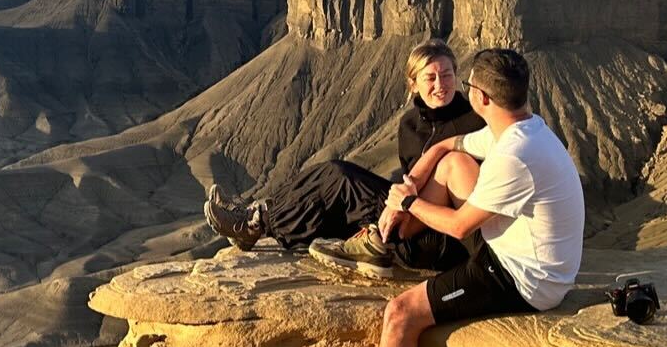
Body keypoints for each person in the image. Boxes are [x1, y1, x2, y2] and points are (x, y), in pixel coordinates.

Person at [279, 47, 585, 347]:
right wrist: (420, 173)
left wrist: (406, 202)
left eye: (465, 85)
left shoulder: (517, 157)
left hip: (523, 279)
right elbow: (450, 144)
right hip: (523, 253)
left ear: (480, 99)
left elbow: (460, 226)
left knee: (402, 313)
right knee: (454, 163)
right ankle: (381, 243)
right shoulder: (521, 129)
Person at [203, 39, 482, 253]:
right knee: (330, 172)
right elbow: (408, 177)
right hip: (404, 210)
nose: (441, 85)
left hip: (436, 230)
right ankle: (258, 215)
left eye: (447, 75)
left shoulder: (472, 121)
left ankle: (255, 224)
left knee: (341, 181)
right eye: (430, 78)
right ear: (413, 84)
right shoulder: (410, 124)